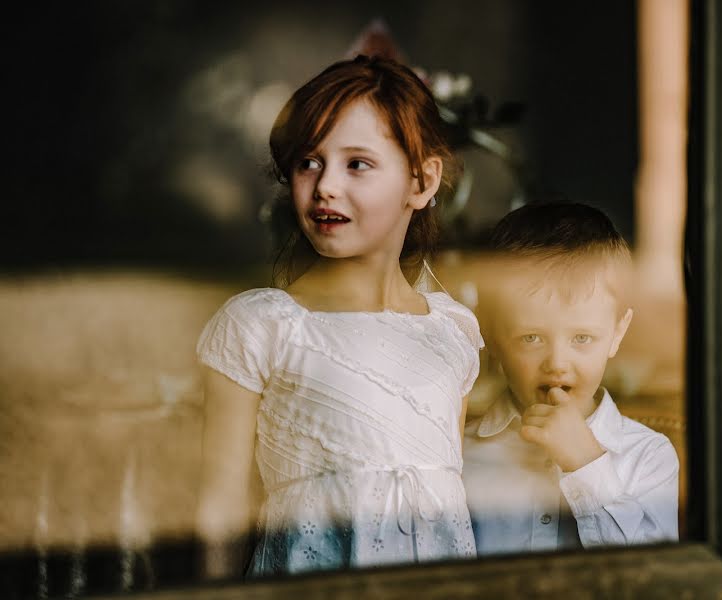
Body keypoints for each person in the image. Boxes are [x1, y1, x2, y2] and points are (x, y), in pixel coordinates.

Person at [194, 55, 483, 579]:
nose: (325, 184)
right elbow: (222, 505)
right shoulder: (262, 326)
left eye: (357, 163)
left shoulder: (452, 330)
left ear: (421, 182)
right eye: (309, 162)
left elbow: (444, 497)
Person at [462, 202, 679, 554]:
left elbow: (650, 580)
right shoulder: (462, 453)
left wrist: (586, 464)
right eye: (531, 338)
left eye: (582, 338)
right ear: (493, 336)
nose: (558, 363)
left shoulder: (647, 457)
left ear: (617, 333)